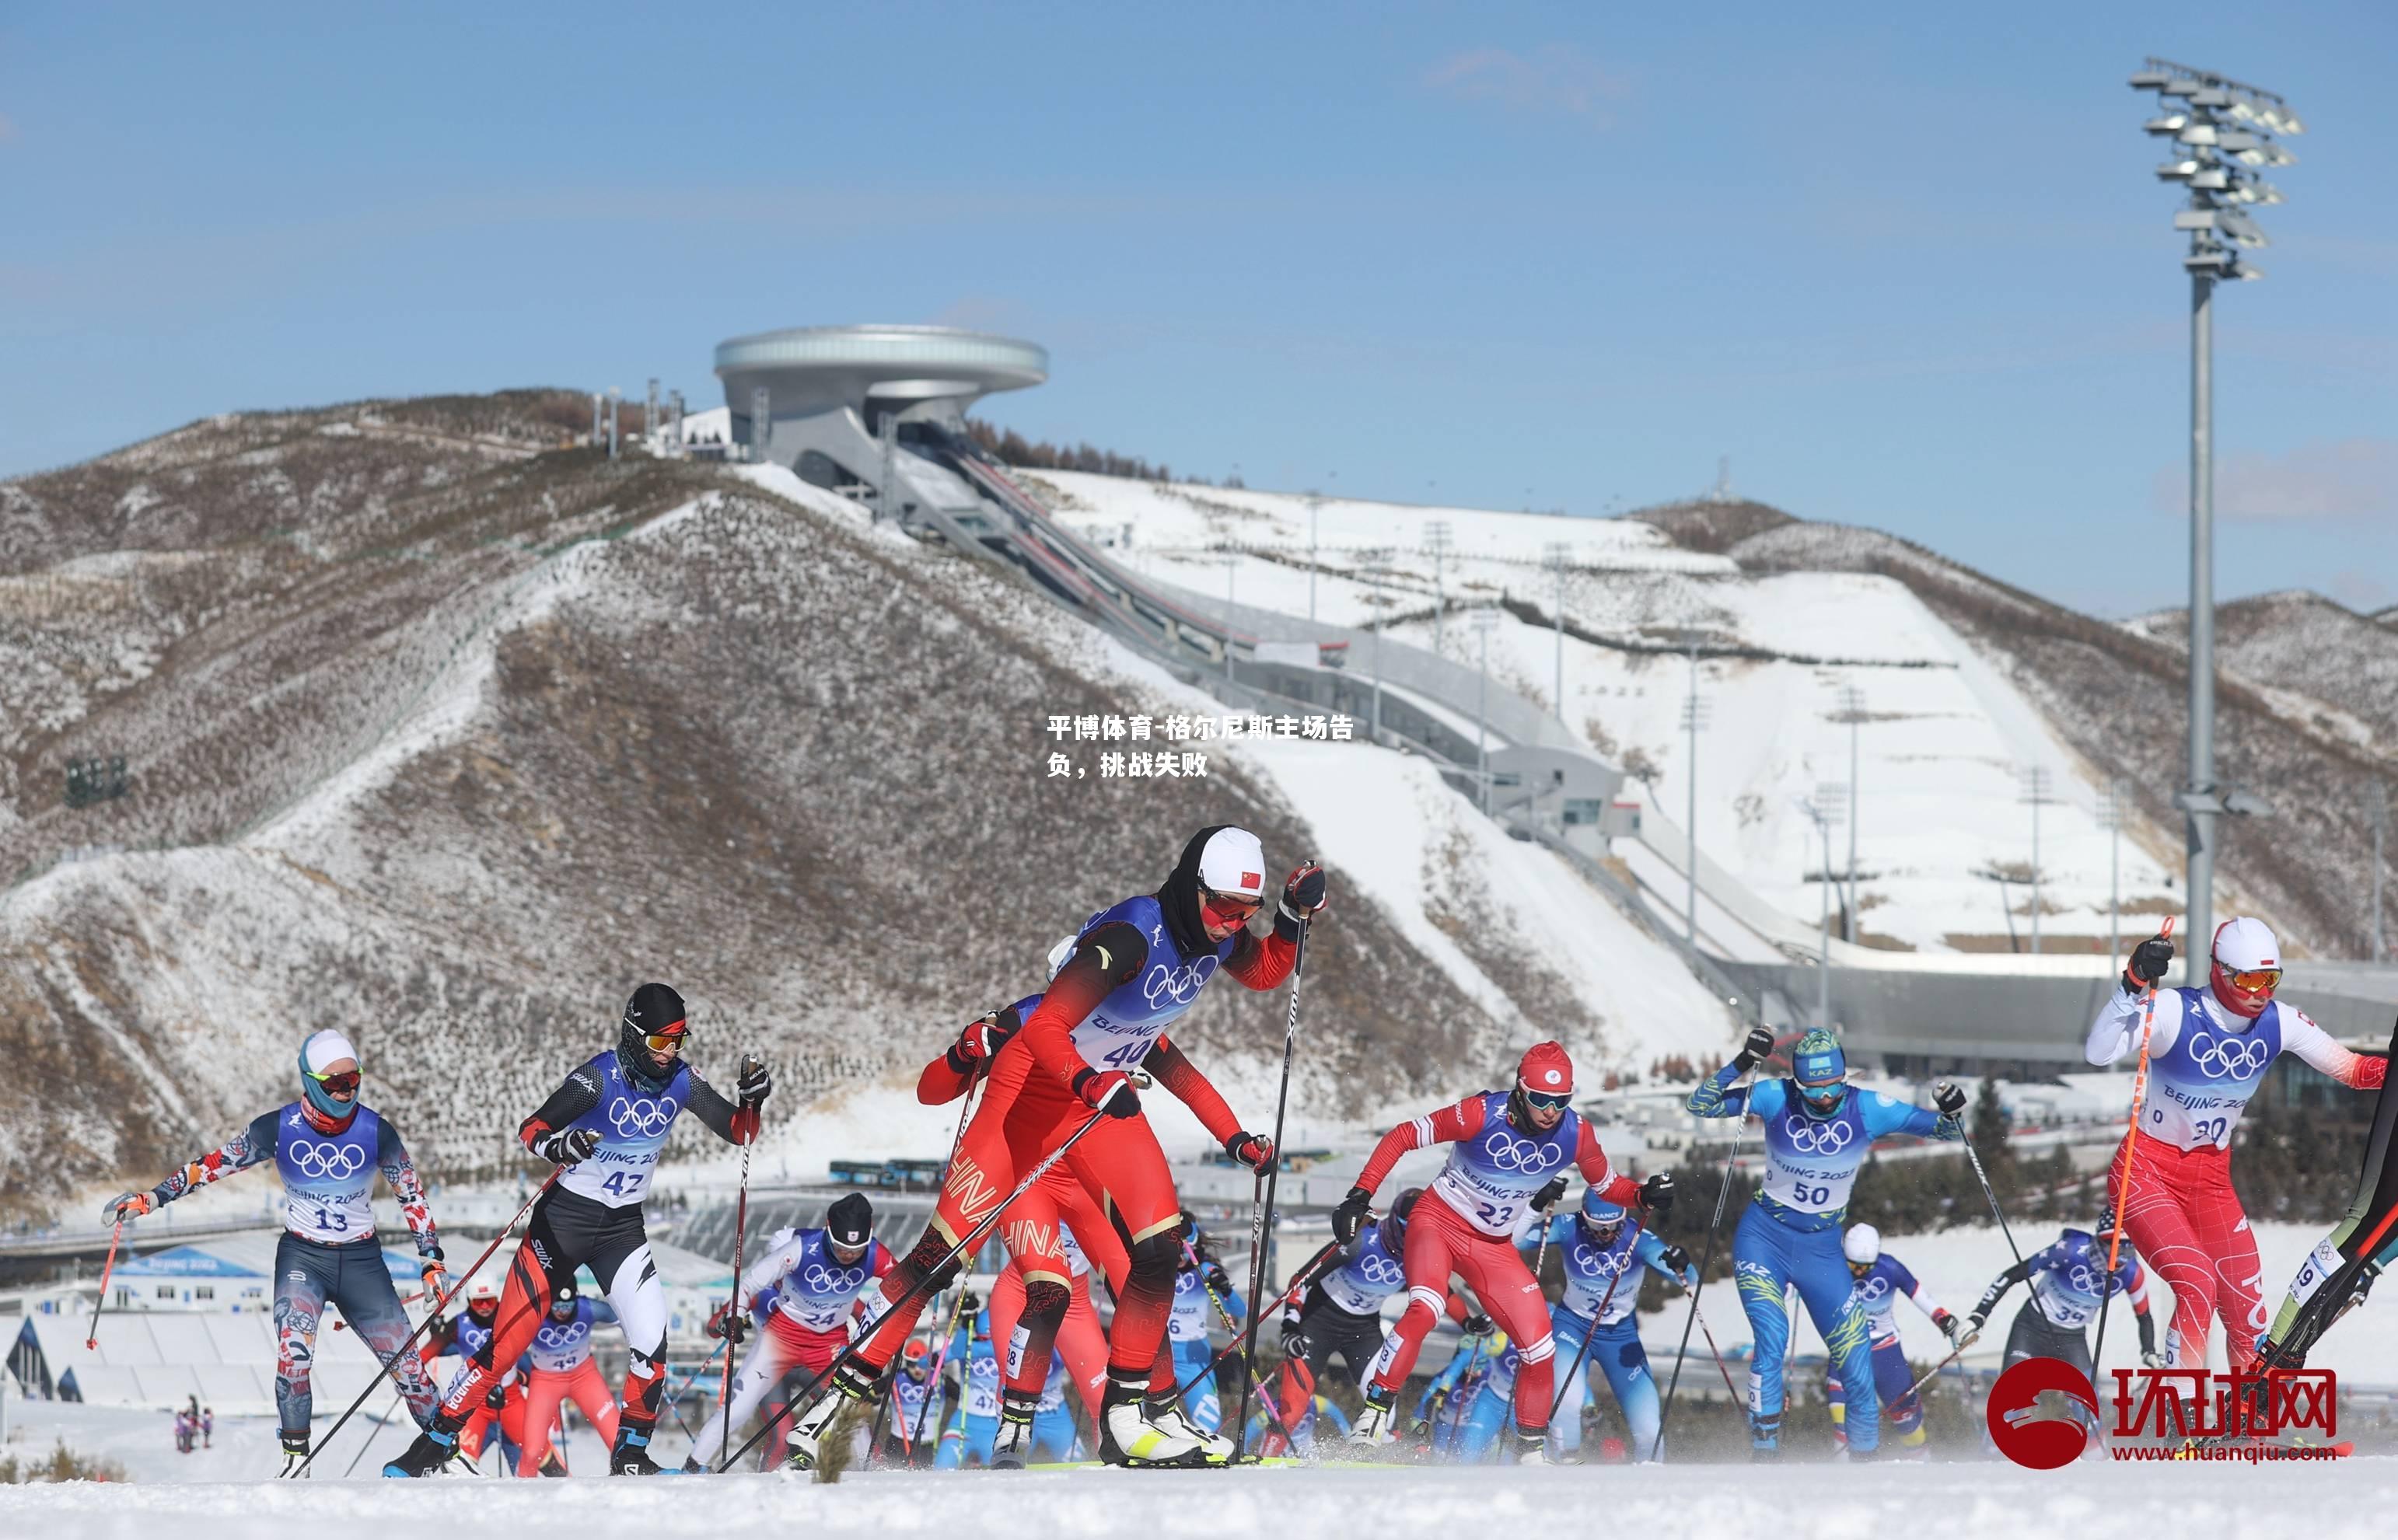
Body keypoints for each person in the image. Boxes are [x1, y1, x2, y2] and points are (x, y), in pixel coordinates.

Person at [798, 827, 1323, 1469]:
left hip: (1091, 1114)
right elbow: (1040, 1030)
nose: (1231, 924)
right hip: (1012, 1132)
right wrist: (989, 1054)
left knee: (1158, 1252)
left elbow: (1259, 981)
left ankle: (1132, 1418)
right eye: (1222, 908)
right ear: (1192, 889)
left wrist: (1293, 918)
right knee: (938, 1263)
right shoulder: (1128, 940)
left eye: (1246, 911)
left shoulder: (1215, 936)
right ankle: (839, 1399)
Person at [385, 983, 770, 1476]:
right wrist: (561, 1147)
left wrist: (752, 1101)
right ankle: (434, 1443)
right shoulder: (597, 1079)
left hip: (621, 1230)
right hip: (562, 1225)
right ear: (634, 1036)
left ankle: (630, 1455)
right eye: (660, 1043)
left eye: (679, 1041)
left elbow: (739, 1131)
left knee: (652, 1340)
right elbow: (532, 1129)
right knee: (505, 1346)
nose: (670, 1053)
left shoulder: (683, 1081)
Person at [104, 1028, 448, 1477]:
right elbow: (211, 1166)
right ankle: (295, 1456)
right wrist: (153, 1198)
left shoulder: (376, 1131)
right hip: (304, 1258)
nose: (346, 1091)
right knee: (294, 1353)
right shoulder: (277, 1128)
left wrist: (431, 1259)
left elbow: (412, 1195)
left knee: (409, 1368)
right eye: (334, 1083)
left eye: (353, 1080)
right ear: (310, 1081)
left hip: (362, 1261)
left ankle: (446, 1452)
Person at [1339, 1040, 1666, 1462]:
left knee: (1539, 1347)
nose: (1551, 1110)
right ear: (1519, 1090)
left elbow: (1609, 1188)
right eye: (1541, 1099)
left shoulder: (1576, 1132)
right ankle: (1375, 1413)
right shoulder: (1480, 1114)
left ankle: (1531, 1450)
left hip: (1491, 1245)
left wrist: (1643, 1195)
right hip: (1437, 1223)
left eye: (1561, 1100)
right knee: (1426, 1307)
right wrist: (1359, 1196)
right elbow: (1403, 1136)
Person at [2089, 921, 2382, 1373]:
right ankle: (2179, 1421)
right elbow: (2098, 1052)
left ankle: (2247, 1425)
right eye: (2248, 978)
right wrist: (2132, 983)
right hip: (2146, 1172)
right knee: (2197, 1285)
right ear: (2220, 972)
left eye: (2270, 979)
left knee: (2248, 1312)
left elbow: (2354, 1070)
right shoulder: (2173, 1010)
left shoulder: (2279, 1022)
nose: (2260, 991)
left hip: (2210, 1180)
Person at [1687, 1026, 1966, 1460]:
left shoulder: (1869, 1108)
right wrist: (1744, 1062)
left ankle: (1865, 1461)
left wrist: (1953, 1111)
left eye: (1833, 1086)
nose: (1822, 1098)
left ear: (1845, 1078)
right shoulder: (1776, 1097)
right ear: (1797, 1083)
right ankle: (1765, 1456)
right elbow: (1699, 1103)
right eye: (1811, 1089)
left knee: (1856, 1358)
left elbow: (1948, 1132)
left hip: (1821, 1249)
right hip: (1765, 1239)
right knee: (1772, 1339)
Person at [680, 1192, 888, 1472]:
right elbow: (748, 1285)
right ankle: (694, 1468)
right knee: (738, 1411)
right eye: (841, 1248)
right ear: (828, 1231)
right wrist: (733, 1318)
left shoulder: (876, 1254)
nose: (849, 1255)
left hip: (827, 1346)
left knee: (847, 1414)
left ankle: (874, 1474)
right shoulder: (801, 1249)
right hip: (781, 1340)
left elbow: (905, 1284)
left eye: (857, 1249)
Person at [1532, 1189, 1695, 1463]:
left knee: (1648, 1428)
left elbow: (1689, 1278)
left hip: (1619, 1336)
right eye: (1597, 1225)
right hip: (1572, 1327)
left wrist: (1682, 1264)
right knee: (1567, 1401)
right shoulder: (1569, 1225)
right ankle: (1563, 1464)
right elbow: (1513, 1238)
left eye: (1613, 1224)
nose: (1606, 1232)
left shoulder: (1638, 1238)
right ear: (1585, 1218)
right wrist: (1536, 1205)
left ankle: (1651, 1481)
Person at [1967, 1223, 2162, 1450]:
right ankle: (1991, 1459)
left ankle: (2097, 1463)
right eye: (2117, 1249)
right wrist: (1978, 1316)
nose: (2121, 1258)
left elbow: (2144, 1315)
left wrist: (2148, 1350)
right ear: (2101, 1243)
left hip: (2072, 1339)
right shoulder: (2070, 1251)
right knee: (2010, 1400)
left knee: (2088, 1409)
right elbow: (2012, 1275)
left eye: (2129, 1250)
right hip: (2031, 1328)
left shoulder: (2132, 1273)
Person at [1829, 1224, 1961, 1459]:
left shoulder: (1889, 1267)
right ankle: (1843, 1478)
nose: (1858, 1272)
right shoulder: (1831, 1266)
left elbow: (1916, 1291)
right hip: (1845, 1350)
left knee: (1907, 1422)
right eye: (1853, 1266)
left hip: (1886, 1353)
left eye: (1864, 1267)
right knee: (1842, 1421)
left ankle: (1923, 1464)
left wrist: (1941, 1317)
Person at [421, 1276, 526, 1471]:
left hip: (510, 1402)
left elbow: (526, 1354)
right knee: (458, 1461)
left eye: (490, 1301)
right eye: (479, 1302)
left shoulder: (511, 1318)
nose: (485, 1306)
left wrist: (526, 1377)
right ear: (469, 1301)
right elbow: (431, 1351)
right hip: (476, 1407)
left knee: (533, 1461)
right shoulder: (459, 1324)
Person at [516, 1283, 622, 1475]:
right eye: (556, 1305)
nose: (562, 1312)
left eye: (567, 1306)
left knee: (618, 1441)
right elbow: (505, 1338)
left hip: (584, 1377)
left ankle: (630, 1488)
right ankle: (522, 1495)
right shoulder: (535, 1311)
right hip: (545, 1382)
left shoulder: (587, 1307)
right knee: (532, 1452)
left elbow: (626, 1318)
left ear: (576, 1298)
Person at [1166, 1215, 1242, 1435]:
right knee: (1138, 1419)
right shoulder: (1159, 1269)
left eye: (1183, 1251)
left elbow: (1239, 1311)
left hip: (1194, 1359)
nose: (1179, 1258)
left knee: (1209, 1427)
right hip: (1159, 1356)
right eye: (1175, 1251)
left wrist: (1226, 1289)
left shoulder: (1205, 1270)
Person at [935, 1304, 1002, 1468]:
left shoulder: (1005, 1349)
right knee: (941, 1469)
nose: (985, 1342)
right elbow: (937, 1358)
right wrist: (964, 1328)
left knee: (999, 1477)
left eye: (988, 1338)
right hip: (963, 1424)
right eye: (981, 1338)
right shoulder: (967, 1348)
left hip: (995, 1428)